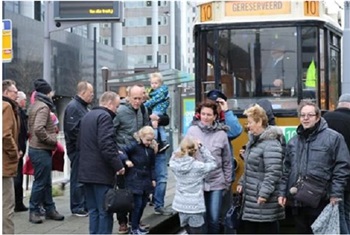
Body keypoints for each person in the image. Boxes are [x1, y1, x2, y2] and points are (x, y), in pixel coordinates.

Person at [278, 101, 350, 234]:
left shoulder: (333, 138)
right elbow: (286, 169)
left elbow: (342, 167)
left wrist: (336, 193)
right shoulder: (294, 141)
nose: (306, 118)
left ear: (317, 117)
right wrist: (282, 192)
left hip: (322, 200)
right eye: (303, 115)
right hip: (298, 201)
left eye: (310, 115)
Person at [78, 91, 125, 234]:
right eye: (116, 107)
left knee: (93, 211)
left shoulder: (87, 116)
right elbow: (106, 145)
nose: (116, 110)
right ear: (110, 104)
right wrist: (118, 165)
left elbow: (79, 143)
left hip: (86, 172)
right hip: (101, 173)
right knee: (105, 211)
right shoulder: (105, 117)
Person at [236, 104, 285, 234]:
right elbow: (251, 167)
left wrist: (263, 194)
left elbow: (273, 172)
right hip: (253, 197)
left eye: (250, 122)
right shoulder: (255, 141)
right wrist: (241, 182)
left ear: (260, 122)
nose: (248, 126)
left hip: (263, 199)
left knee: (266, 228)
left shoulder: (271, 144)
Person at [186, 101, 232, 234]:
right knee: (200, 218)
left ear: (215, 116)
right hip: (197, 182)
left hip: (216, 182)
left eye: (209, 115)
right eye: (203, 114)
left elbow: (227, 161)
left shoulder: (222, 134)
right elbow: (184, 155)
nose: (205, 117)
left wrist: (227, 181)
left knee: (214, 217)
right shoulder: (192, 131)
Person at [27, 79, 64, 224]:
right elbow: (38, 128)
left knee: (45, 182)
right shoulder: (43, 108)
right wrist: (52, 140)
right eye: (51, 91)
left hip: (37, 148)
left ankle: (50, 209)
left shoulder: (35, 104)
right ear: (47, 92)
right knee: (41, 182)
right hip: (41, 149)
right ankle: (34, 210)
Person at [170, 137, 217, 234]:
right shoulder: (198, 166)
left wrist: (182, 147)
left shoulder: (174, 165)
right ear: (194, 151)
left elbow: (173, 156)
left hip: (181, 205)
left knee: (188, 230)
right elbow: (213, 163)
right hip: (195, 206)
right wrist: (201, 147)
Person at [63, 81, 94, 217]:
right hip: (78, 149)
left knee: (82, 178)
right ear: (82, 93)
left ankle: (83, 205)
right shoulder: (74, 107)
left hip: (82, 148)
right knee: (77, 178)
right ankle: (77, 206)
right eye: (90, 93)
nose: (92, 95)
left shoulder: (81, 107)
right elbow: (73, 130)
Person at [120, 126, 156, 235]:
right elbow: (122, 151)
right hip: (134, 178)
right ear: (141, 137)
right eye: (147, 140)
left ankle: (136, 225)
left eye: (151, 140)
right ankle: (134, 227)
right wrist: (126, 161)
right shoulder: (134, 146)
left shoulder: (150, 150)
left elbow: (152, 166)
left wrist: (153, 178)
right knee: (137, 204)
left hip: (145, 179)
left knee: (143, 203)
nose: (149, 143)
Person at [323, 93, 350, 234]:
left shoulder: (325, 118)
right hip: (347, 174)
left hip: (330, 175)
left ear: (339, 103)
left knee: (338, 214)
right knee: (346, 212)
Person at [3, 79, 20, 234]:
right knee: (7, 207)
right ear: (6, 93)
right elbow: (5, 135)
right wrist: (15, 153)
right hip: (4, 165)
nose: (17, 94)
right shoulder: (6, 106)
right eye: (15, 92)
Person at [144, 72, 170, 152]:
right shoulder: (157, 92)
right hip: (159, 110)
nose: (154, 85)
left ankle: (154, 140)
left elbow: (166, 120)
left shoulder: (160, 92)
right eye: (152, 83)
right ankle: (164, 141)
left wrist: (145, 104)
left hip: (158, 110)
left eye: (156, 83)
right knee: (160, 127)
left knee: (155, 124)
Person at [14, 91, 29, 212]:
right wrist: (18, 149)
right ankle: (17, 202)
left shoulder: (21, 113)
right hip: (17, 149)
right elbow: (17, 133)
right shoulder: (16, 113)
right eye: (24, 100)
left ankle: (18, 201)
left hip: (20, 147)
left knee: (19, 176)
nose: (25, 102)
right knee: (17, 176)